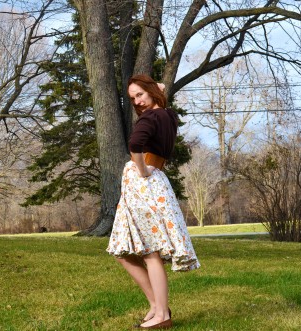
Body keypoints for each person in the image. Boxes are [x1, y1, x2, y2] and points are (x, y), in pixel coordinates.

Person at [106, 74, 200, 329]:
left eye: (140, 95)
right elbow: (160, 97)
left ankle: (162, 315)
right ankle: (157, 306)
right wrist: (156, 90)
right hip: (152, 182)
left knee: (149, 252)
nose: (137, 102)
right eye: (133, 98)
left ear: (151, 92)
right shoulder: (167, 115)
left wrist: (142, 171)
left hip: (145, 182)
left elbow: (135, 144)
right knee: (123, 251)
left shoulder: (151, 117)